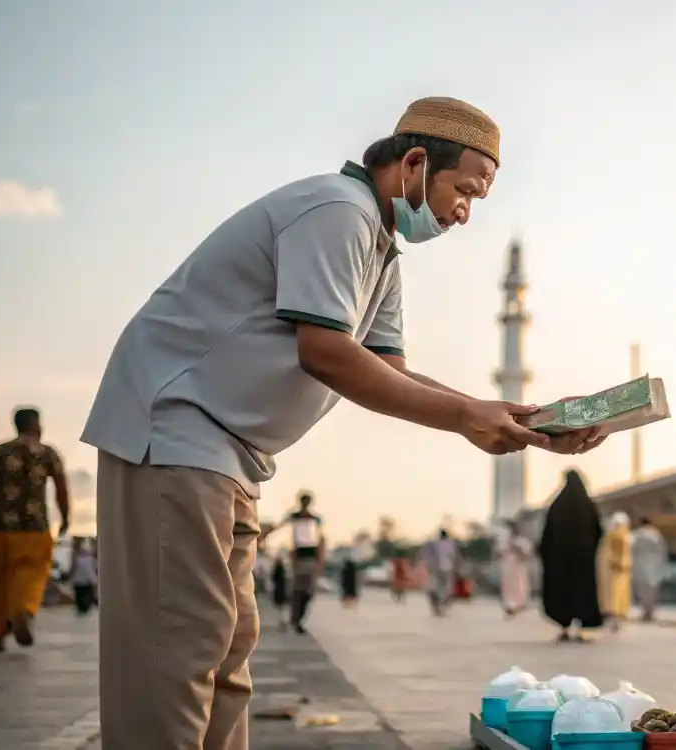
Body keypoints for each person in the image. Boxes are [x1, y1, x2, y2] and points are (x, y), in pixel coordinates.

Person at [79, 95, 608, 748]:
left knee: (227, 653)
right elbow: (326, 353)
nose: (464, 214)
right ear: (415, 163)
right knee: (179, 647)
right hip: (173, 432)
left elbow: (389, 370)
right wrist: (469, 416)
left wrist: (518, 420)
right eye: (464, 191)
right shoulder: (338, 211)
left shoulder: (381, 252)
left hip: (231, 455)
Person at [0, 407, 70, 652]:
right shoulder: (46, 453)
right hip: (34, 526)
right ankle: (23, 610)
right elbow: (61, 488)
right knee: (31, 573)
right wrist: (65, 517)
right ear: (36, 425)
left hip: (0, 525)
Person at [538, 470, 604, 642]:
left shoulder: (557, 506)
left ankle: (565, 628)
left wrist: (548, 556)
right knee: (582, 593)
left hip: (561, 563)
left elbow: (547, 535)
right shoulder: (588, 506)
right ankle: (581, 629)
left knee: (563, 593)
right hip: (583, 561)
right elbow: (598, 531)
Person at [269, 492, 325, 634]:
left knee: (308, 591)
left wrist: (320, 558)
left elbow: (321, 538)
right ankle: (295, 619)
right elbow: (279, 526)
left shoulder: (315, 519)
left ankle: (298, 619)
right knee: (297, 591)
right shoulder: (295, 517)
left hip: (310, 557)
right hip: (298, 558)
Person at [597, 512, 633, 632]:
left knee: (615, 595)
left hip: (618, 570)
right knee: (617, 596)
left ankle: (615, 618)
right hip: (620, 569)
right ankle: (616, 618)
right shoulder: (621, 535)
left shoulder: (611, 535)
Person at [631, 517, 667, 621]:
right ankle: (650, 611)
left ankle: (645, 611)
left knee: (642, 589)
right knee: (652, 589)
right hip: (653, 563)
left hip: (640, 563)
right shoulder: (655, 534)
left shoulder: (637, 534)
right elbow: (661, 550)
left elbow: (632, 549)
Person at [495, 521, 534, 617]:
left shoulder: (523, 541)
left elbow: (528, 555)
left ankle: (519, 604)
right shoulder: (504, 541)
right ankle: (509, 605)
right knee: (508, 587)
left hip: (519, 567)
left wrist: (518, 549)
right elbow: (498, 552)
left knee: (520, 586)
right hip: (507, 567)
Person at [424, 529, 459, 616]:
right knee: (445, 587)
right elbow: (453, 557)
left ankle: (436, 602)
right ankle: (442, 603)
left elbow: (428, 556)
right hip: (447, 568)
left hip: (436, 568)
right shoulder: (451, 544)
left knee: (435, 586)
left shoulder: (434, 543)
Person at [70, 538, 99, 616]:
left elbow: (73, 567)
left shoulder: (78, 554)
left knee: (81, 600)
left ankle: (83, 610)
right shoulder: (86, 554)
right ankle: (85, 609)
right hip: (83, 580)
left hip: (81, 580)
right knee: (84, 600)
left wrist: (70, 577)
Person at [269, 554, 289, 628]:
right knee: (283, 608)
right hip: (282, 590)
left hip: (279, 591)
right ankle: (283, 622)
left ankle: (282, 622)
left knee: (281, 608)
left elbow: (272, 578)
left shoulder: (277, 569)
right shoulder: (283, 569)